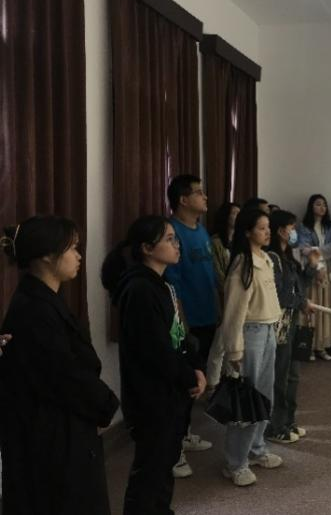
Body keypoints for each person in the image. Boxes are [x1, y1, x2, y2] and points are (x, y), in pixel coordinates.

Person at [0, 216, 120, 515]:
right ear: (46, 255)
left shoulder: (43, 298)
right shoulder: (33, 309)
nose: (78, 256)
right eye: (72, 248)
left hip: (61, 426)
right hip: (51, 434)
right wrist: (105, 404)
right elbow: (64, 374)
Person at [101, 216, 206, 515]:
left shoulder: (162, 284)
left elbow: (180, 335)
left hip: (170, 393)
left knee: (164, 464)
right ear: (147, 248)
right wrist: (188, 376)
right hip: (151, 397)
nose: (177, 245)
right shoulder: (139, 290)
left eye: (176, 238)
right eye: (169, 239)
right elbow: (155, 351)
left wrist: (196, 367)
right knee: (149, 472)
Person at [207, 208, 283, 487]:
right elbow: (233, 312)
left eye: (268, 227)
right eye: (262, 228)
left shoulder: (266, 258)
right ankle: (235, 463)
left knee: (264, 396)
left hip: (268, 330)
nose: (267, 232)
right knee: (246, 400)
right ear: (248, 232)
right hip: (250, 334)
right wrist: (234, 350)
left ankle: (257, 448)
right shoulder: (243, 263)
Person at [165, 174, 216, 476]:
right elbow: (174, 285)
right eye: (199, 192)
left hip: (208, 316)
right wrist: (183, 326)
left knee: (196, 382)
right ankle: (174, 449)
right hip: (188, 321)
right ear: (183, 200)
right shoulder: (174, 232)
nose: (204, 197)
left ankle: (184, 434)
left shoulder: (201, 230)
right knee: (182, 383)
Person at [266, 210, 317, 443]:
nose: (294, 232)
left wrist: (311, 268)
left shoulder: (289, 257)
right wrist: (301, 302)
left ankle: (289, 420)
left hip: (293, 319)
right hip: (281, 323)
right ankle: (276, 425)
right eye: (291, 227)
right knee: (281, 374)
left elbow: (300, 286)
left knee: (293, 374)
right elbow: (279, 295)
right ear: (280, 230)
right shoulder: (273, 258)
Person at [297, 194, 331, 361]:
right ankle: (310, 347)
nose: (322, 207)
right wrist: (317, 259)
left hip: (327, 268)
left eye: (324, 205)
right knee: (313, 305)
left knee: (325, 305)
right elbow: (303, 248)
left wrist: (315, 251)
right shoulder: (303, 226)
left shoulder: (330, 226)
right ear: (311, 206)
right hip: (311, 267)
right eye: (318, 204)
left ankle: (322, 346)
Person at [210, 202, 241, 306]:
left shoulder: (240, 241)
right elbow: (217, 273)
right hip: (224, 295)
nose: (238, 216)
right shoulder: (215, 242)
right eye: (235, 213)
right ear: (226, 216)